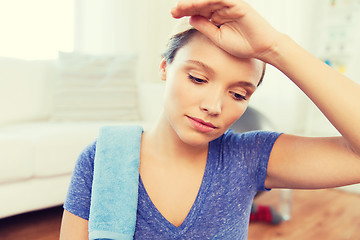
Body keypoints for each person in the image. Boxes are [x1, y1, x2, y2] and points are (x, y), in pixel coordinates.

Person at [60, 0, 360, 239]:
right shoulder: (101, 160)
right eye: (198, 78)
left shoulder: (248, 157)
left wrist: (274, 47)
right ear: (165, 68)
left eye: (239, 95)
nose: (214, 106)